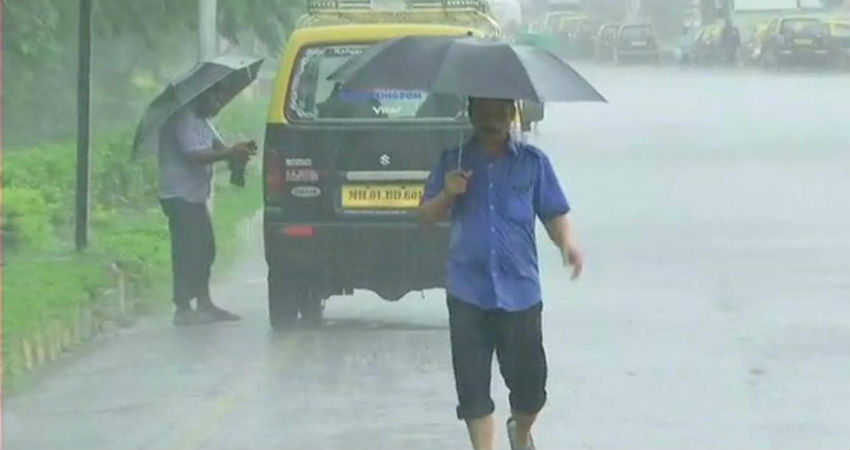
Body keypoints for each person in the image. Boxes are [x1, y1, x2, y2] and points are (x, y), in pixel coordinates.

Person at [419, 97, 584, 450]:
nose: (491, 121)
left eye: (499, 113)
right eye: (483, 112)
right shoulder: (453, 162)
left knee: (531, 391)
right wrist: (447, 193)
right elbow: (426, 216)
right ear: (470, 114)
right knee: (473, 391)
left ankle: (520, 432)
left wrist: (567, 244)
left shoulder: (533, 163)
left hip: (521, 292)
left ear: (512, 113)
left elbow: (554, 213)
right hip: (468, 292)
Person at [158, 86, 256, 326]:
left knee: (205, 250)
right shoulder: (182, 118)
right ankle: (182, 308)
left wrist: (237, 151)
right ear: (201, 95)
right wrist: (229, 154)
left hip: (195, 196)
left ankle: (204, 302)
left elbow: (218, 148)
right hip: (178, 195)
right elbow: (195, 157)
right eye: (216, 98)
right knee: (186, 252)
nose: (219, 104)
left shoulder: (203, 121)